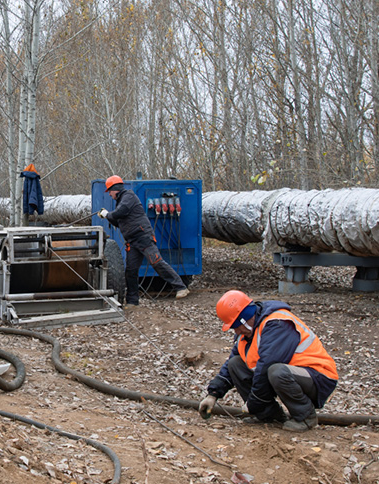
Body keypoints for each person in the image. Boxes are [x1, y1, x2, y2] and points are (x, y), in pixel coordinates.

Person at [198, 290, 338, 432]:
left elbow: (266, 367)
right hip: (295, 375)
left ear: (243, 319)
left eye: (235, 326)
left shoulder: (277, 323)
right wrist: (213, 395)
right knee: (236, 363)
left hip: (319, 376)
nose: (236, 332)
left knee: (276, 371)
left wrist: (253, 403)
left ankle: (306, 417)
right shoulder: (248, 332)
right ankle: (269, 416)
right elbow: (230, 365)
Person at [97, 175, 188, 304]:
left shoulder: (129, 196)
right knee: (131, 271)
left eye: (109, 192)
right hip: (132, 241)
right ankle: (132, 301)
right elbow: (118, 221)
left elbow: (121, 212)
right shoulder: (121, 201)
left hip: (143, 237)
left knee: (156, 262)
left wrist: (107, 214)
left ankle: (181, 287)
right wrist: (108, 217)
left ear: (114, 189)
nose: (109, 195)